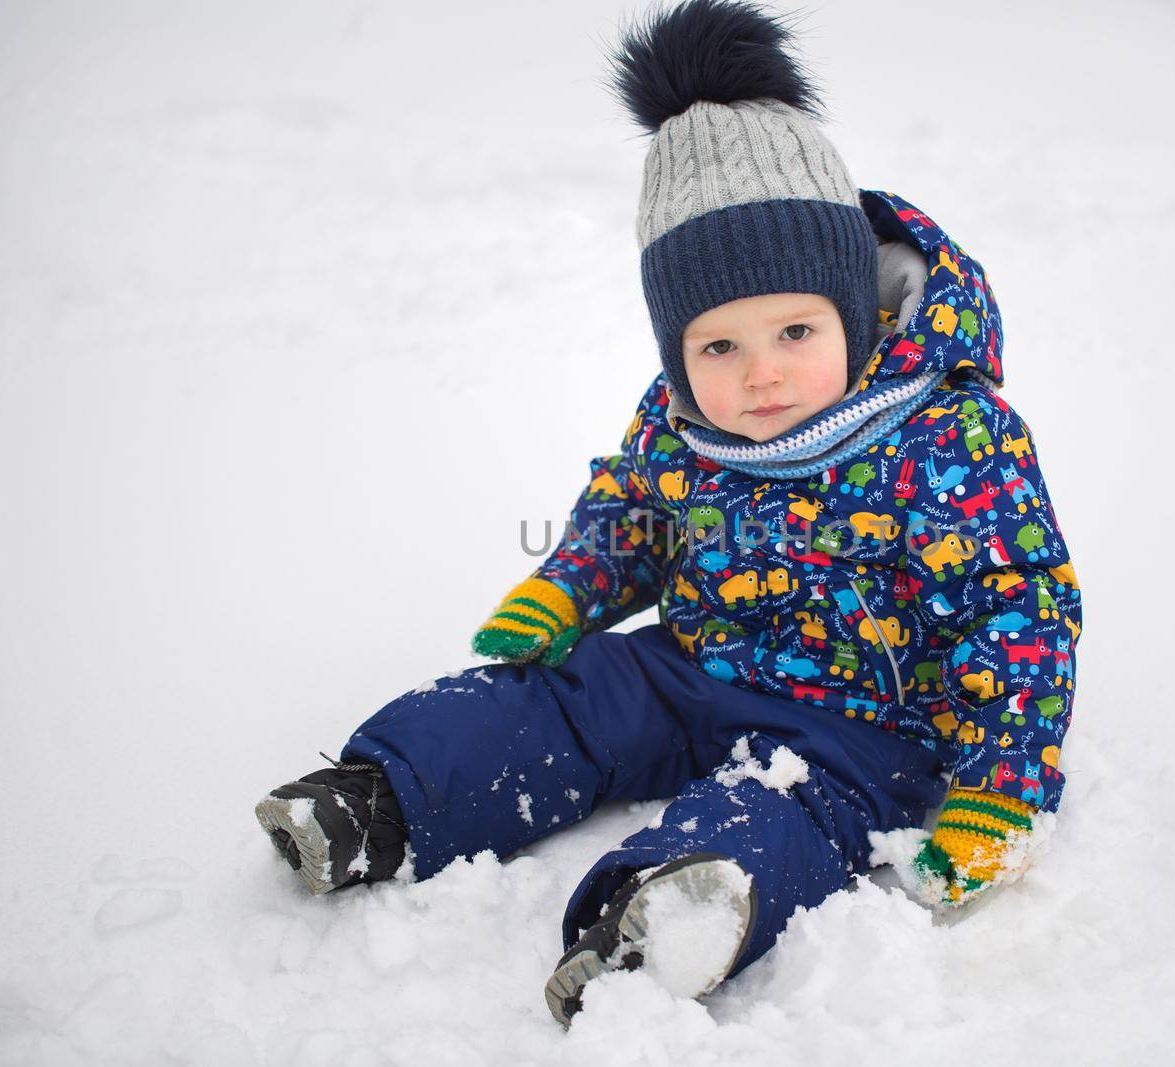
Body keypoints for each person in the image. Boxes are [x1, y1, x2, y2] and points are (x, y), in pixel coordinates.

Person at [253, 0, 1082, 1028]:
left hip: (869, 720)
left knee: (787, 806)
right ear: (677, 352)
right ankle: (384, 796)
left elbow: (1022, 607)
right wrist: (568, 585)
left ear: (854, 314)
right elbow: (636, 504)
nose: (761, 374)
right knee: (569, 695)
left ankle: (674, 912)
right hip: (699, 662)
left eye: (792, 330)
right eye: (718, 347)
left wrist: (1002, 783)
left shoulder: (948, 432)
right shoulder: (681, 419)